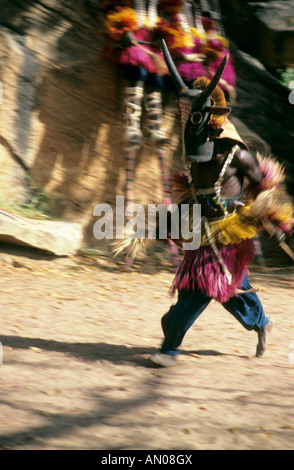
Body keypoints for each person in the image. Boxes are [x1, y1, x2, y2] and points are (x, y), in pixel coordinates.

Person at [148, 43, 294, 366]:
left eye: (194, 116)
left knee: (201, 285)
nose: (186, 121)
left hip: (230, 230)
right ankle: (260, 320)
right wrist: (174, 220)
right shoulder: (194, 150)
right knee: (227, 286)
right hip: (202, 226)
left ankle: (169, 343)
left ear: (212, 118)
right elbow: (193, 189)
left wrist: (271, 218)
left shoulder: (237, 154)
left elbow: (264, 187)